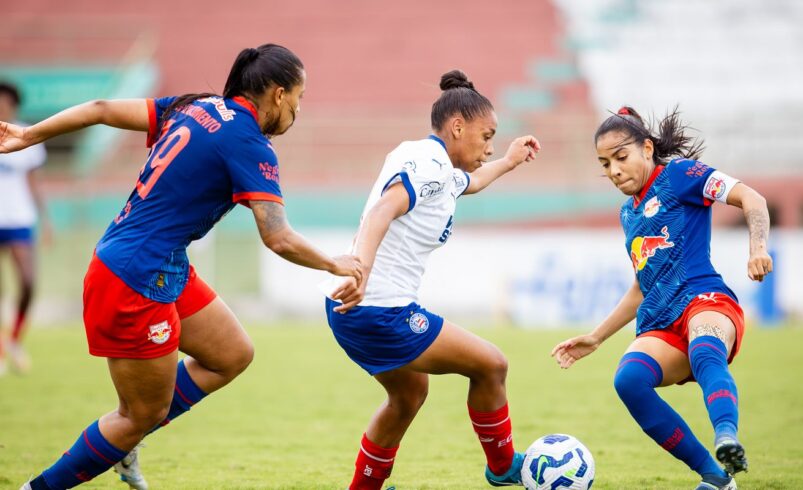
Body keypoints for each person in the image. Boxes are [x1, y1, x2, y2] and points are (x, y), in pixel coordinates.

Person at [0, 44, 364, 490]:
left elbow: (98, 109)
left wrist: (29, 134)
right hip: (133, 277)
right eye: (299, 98)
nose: (298, 110)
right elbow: (278, 237)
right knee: (139, 414)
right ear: (278, 94)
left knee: (232, 354)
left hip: (157, 261)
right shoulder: (249, 144)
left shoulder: (195, 106)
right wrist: (336, 264)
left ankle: (126, 438)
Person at [324, 70, 540, 489]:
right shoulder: (428, 164)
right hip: (375, 308)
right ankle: (502, 468)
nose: (489, 146)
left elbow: (471, 182)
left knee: (407, 396)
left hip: (354, 309)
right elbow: (382, 211)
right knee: (491, 365)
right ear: (458, 126)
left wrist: (509, 161)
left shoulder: (436, 164)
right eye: (486, 136)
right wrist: (361, 270)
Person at [551, 106, 772, 490]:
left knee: (705, 349)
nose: (614, 170)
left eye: (621, 157)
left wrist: (757, 247)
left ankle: (726, 437)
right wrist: (597, 337)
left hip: (705, 300)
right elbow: (641, 284)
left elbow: (752, 198)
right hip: (660, 319)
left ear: (647, 148)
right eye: (605, 164)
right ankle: (716, 476)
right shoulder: (627, 214)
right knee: (629, 380)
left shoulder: (680, 174)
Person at [0, 81, 50, 375]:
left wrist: (46, 221)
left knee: (28, 282)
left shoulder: (27, 136)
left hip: (19, 220)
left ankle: (15, 340)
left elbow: (33, 182)